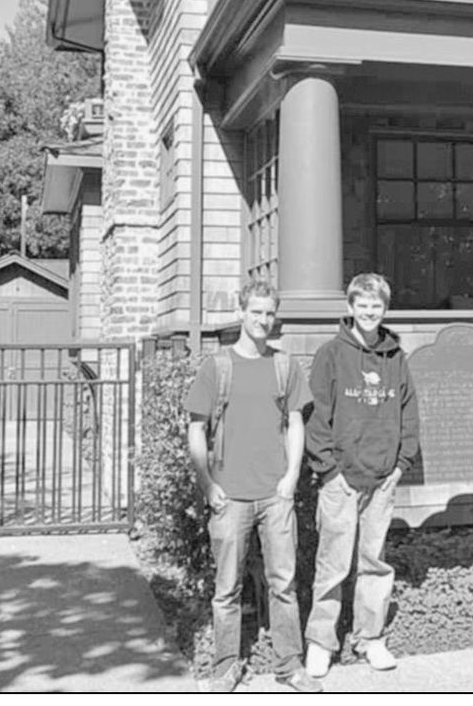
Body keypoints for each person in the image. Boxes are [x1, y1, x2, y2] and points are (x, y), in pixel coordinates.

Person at [183, 280, 320, 693]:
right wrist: (207, 484)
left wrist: (292, 476)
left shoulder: (285, 366)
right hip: (230, 496)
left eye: (269, 312)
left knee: (284, 585)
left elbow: (296, 422)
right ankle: (225, 667)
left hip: (276, 495)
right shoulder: (217, 367)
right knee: (227, 589)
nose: (263, 319)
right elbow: (196, 428)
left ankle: (289, 665)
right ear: (242, 312)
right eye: (256, 311)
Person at [304, 273, 419, 677]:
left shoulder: (396, 357)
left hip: (382, 479)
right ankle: (321, 642)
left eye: (377, 306)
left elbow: (409, 415)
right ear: (350, 308)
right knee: (333, 564)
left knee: (375, 563)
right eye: (363, 305)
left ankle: (370, 638)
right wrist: (329, 470)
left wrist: (400, 465)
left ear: (384, 310)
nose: (370, 312)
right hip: (341, 481)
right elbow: (317, 418)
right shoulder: (331, 354)